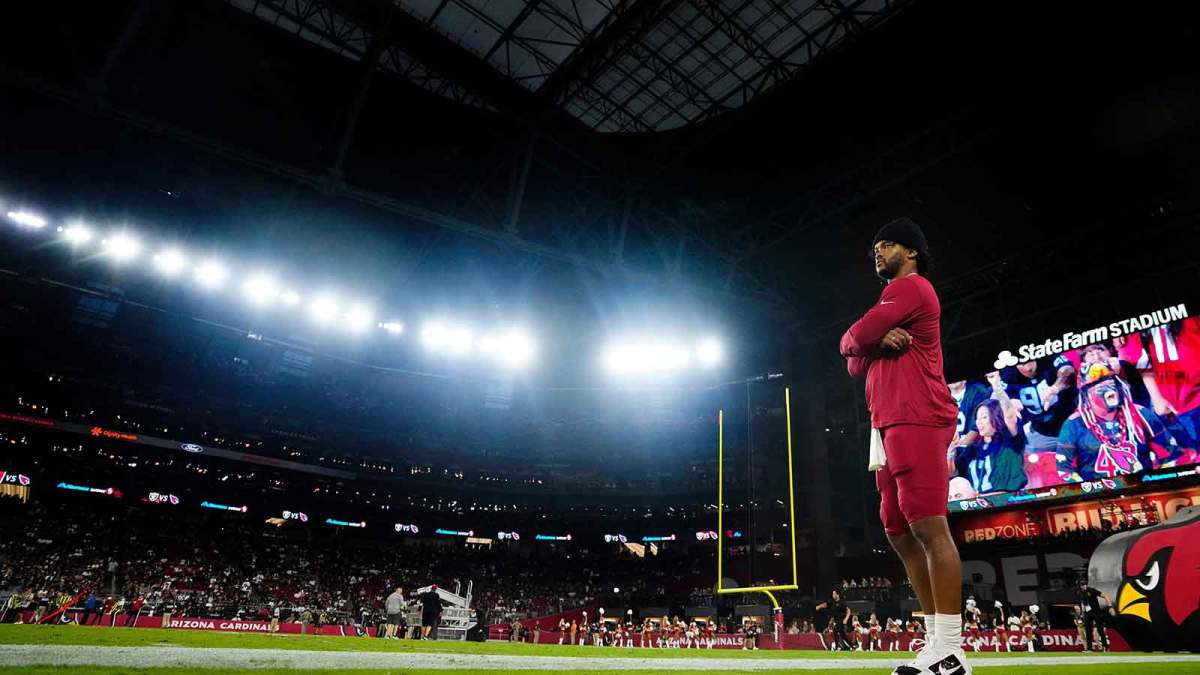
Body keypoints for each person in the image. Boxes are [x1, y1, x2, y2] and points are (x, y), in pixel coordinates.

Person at [839, 217, 968, 675]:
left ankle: (952, 650)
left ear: (911, 251)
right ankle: (935, 644)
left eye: (888, 244)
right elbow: (854, 362)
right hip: (887, 423)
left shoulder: (912, 288)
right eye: (875, 246)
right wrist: (872, 343)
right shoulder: (889, 301)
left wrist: (866, 341)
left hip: (918, 416)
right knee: (897, 530)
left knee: (929, 527)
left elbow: (853, 339)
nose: (878, 251)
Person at [1056, 362, 1185, 482]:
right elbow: (1065, 470)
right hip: (1100, 495)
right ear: (1087, 395)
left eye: (1112, 385)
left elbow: (1170, 454)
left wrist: (1157, 482)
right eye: (1101, 388)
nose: (1110, 391)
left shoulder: (1140, 413)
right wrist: (1088, 490)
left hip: (1143, 489)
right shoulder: (1074, 424)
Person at [952, 399, 1027, 495]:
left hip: (1008, 500)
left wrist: (999, 390)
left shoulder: (1009, 442)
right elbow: (954, 472)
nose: (978, 422)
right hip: (979, 501)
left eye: (984, 417)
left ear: (997, 416)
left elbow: (1010, 417)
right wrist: (951, 448)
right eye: (977, 418)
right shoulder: (973, 448)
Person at [1075, 581, 1113, 652]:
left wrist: (1110, 606)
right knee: (1088, 630)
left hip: (1096, 612)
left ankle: (1105, 647)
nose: (1084, 586)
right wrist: (1082, 613)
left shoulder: (1091, 590)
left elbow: (1104, 595)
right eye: (1082, 585)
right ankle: (1089, 649)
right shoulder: (1079, 593)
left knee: (1100, 629)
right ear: (1079, 586)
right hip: (1087, 613)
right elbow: (1082, 603)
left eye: (1085, 584)